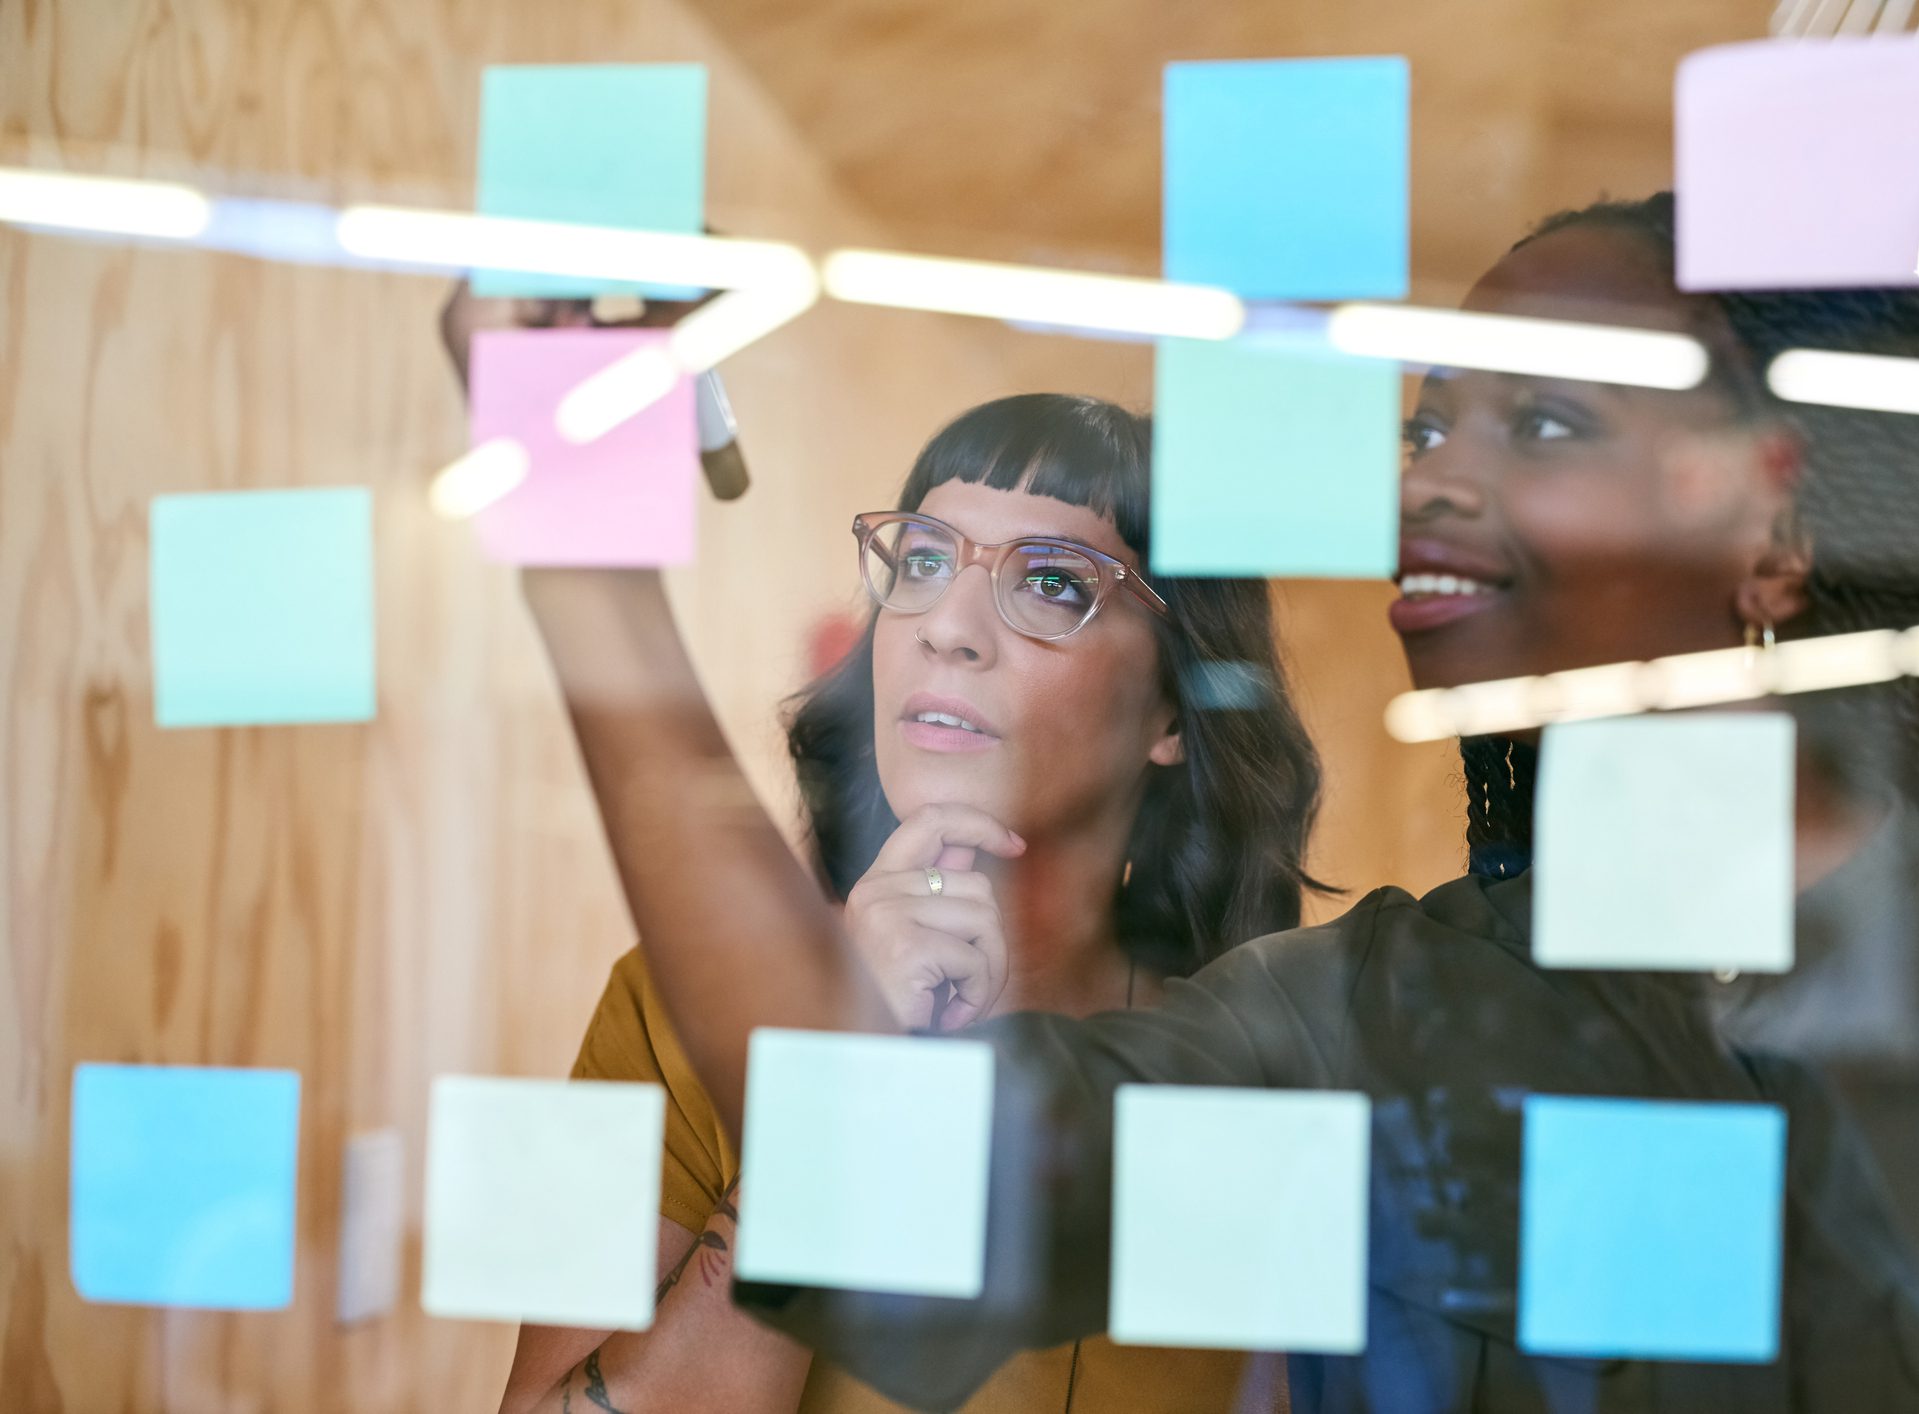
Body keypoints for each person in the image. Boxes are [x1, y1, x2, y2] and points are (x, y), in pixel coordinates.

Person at [530, 192, 1919, 1410]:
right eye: (1425, 422)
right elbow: (890, 1180)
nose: (1429, 475)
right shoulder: (1373, 1009)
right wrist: (575, 537)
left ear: (1771, 533)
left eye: (1544, 419)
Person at [471, 372, 1329, 1411]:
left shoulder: (1260, 1086)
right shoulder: (658, 1007)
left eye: (1052, 582)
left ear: (1173, 713)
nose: (946, 627)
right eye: (921, 562)